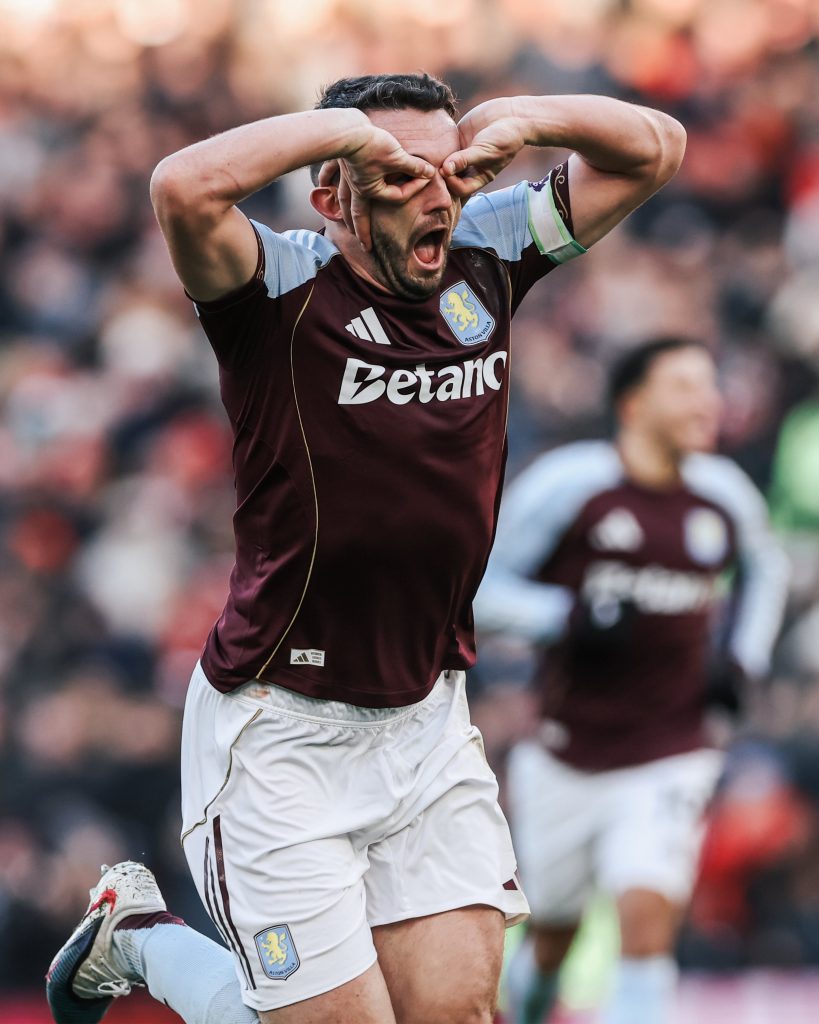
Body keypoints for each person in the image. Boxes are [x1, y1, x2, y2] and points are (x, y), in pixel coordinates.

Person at [46, 73, 686, 1024]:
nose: (435, 193)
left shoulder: (489, 249)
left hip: (426, 721)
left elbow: (657, 146)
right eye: (396, 176)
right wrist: (344, 135)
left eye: (446, 170)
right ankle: (138, 939)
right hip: (280, 734)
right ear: (330, 197)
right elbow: (182, 187)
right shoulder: (275, 284)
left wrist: (526, 120)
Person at [472, 337, 790, 1024]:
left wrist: (746, 656)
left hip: (672, 751)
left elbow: (767, 569)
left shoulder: (721, 493)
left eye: (709, 386)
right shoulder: (571, 486)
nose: (707, 401)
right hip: (564, 750)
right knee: (552, 937)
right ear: (633, 402)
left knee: (645, 915)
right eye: (684, 386)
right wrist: (567, 616)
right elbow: (480, 590)